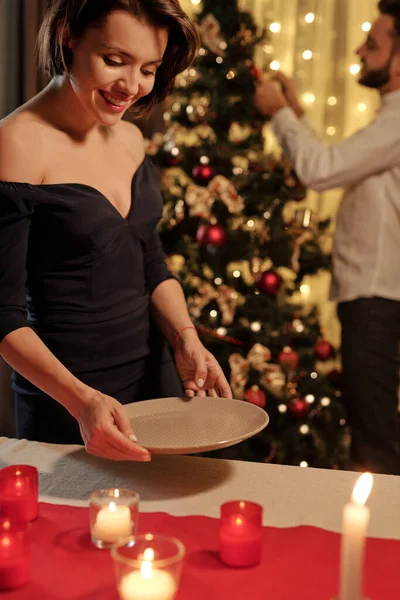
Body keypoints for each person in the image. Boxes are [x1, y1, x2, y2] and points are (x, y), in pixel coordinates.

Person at [0, 0, 232, 462]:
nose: (132, 86)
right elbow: (2, 315)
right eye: (115, 60)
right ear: (68, 35)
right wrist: (81, 402)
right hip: (68, 402)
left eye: (148, 68)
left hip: (157, 381)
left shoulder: (130, 138)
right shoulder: (17, 142)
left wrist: (185, 336)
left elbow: (150, 260)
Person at [254, 0, 400, 475]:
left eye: (373, 45)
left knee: (374, 434)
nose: (360, 49)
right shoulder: (388, 122)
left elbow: (321, 171)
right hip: (371, 296)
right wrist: (297, 112)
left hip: (377, 298)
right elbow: (335, 163)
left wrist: (280, 115)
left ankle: (379, 540)